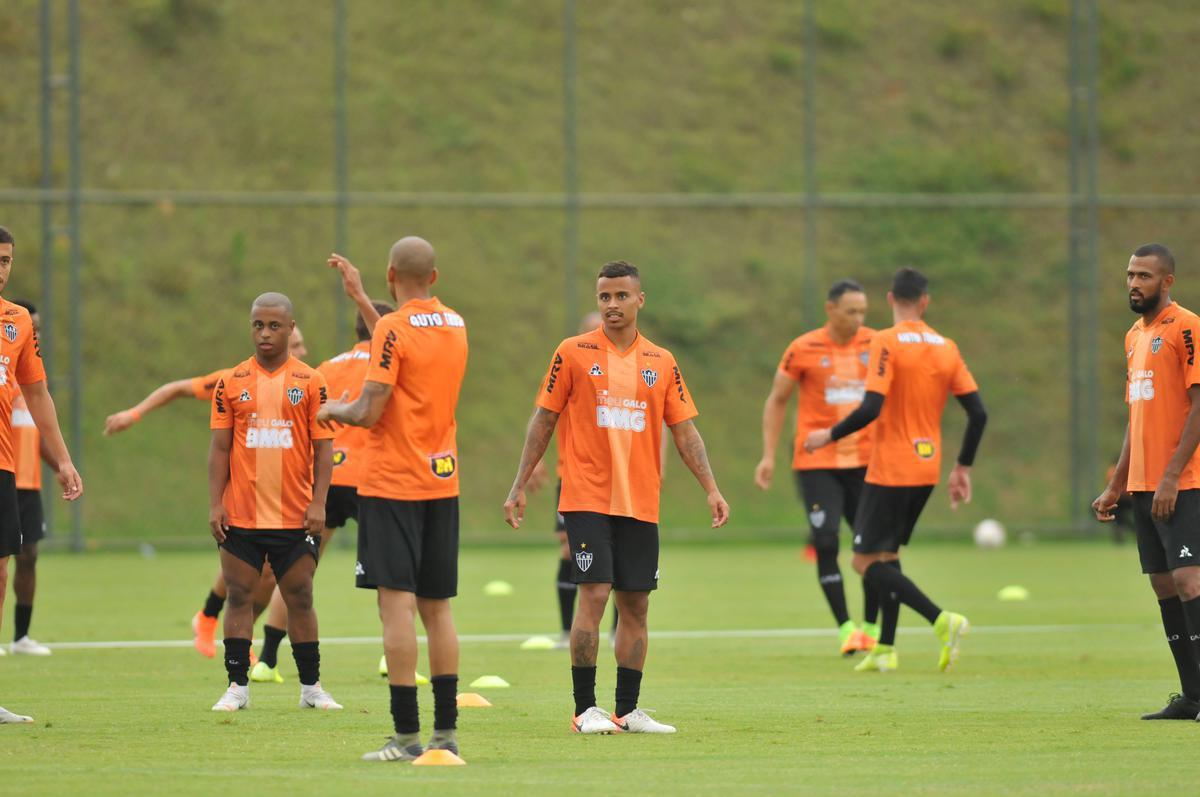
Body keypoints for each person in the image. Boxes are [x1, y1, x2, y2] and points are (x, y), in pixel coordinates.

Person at [504, 260, 730, 735]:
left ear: (639, 300)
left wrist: (711, 488)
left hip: (641, 501)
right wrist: (519, 483)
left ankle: (627, 710)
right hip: (586, 496)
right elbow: (543, 419)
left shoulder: (661, 362)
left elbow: (685, 432)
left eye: (621, 296)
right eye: (604, 297)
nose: (612, 305)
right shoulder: (572, 353)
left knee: (637, 604)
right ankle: (585, 708)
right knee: (594, 593)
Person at [318, 238, 468, 762]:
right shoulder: (456, 324)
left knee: (395, 608)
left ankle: (405, 737)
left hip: (391, 484)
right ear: (435, 275)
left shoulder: (391, 328)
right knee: (438, 609)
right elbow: (405, 350)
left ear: (390, 274)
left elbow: (369, 409)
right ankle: (445, 733)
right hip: (441, 482)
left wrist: (329, 410)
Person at [804, 267, 984, 674]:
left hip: (890, 468)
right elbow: (978, 413)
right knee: (888, 555)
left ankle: (942, 620)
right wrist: (963, 467)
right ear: (925, 301)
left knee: (863, 562)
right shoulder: (946, 346)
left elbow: (871, 408)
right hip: (928, 467)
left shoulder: (885, 341)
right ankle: (885, 648)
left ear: (890, 300)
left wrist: (827, 435)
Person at [104, 326, 309, 659]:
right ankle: (213, 620)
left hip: (284, 494)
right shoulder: (236, 379)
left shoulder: (308, 383)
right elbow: (179, 388)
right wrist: (134, 413)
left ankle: (213, 618)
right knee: (252, 564)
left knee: (268, 575)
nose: (301, 351)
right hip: (243, 490)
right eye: (296, 344)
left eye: (301, 344)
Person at [208, 293, 340, 712]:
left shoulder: (311, 381)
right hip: (242, 513)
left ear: (290, 328)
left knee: (300, 596)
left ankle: (311, 688)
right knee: (240, 596)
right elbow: (218, 449)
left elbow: (323, 449)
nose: (265, 333)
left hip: (295, 513)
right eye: (258, 325)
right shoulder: (232, 381)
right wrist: (215, 504)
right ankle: (237, 687)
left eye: (274, 326)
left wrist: (320, 503)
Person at [251, 298, 393, 684]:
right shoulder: (388, 364)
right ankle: (393, 658)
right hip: (373, 477)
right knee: (391, 575)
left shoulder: (327, 367)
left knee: (298, 570)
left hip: (327, 480)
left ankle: (266, 660)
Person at [1093, 243, 1200, 720]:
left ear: (1167, 282)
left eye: (1145, 276)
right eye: (1130, 274)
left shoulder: (1187, 327)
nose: (1135, 283)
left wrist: (1172, 475)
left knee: (1188, 578)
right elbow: (1136, 419)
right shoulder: (1134, 336)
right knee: (1162, 584)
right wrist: (1117, 485)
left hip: (1184, 482)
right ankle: (1192, 696)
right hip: (1142, 485)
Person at [755, 279, 878, 656]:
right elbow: (777, 400)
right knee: (825, 541)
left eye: (863, 312)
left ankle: (871, 629)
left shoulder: (876, 345)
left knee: (873, 546)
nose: (858, 319)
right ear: (831, 309)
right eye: (851, 311)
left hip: (867, 462)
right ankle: (846, 630)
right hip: (816, 463)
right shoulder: (803, 348)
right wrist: (769, 454)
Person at [0, 226, 83, 724]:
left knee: (2, 570)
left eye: (6, 259)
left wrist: (65, 459)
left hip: (3, 464)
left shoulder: (16, 322)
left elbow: (37, 394)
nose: (0, 267)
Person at [8, 300, 56, 656]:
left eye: (38, 328)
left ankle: (21, 636)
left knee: (29, 557)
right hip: (4, 476)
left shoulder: (34, 380)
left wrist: (62, 467)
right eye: (32, 326)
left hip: (29, 485)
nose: (35, 332)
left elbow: (40, 435)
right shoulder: (6, 375)